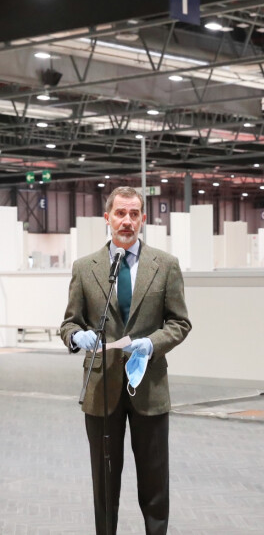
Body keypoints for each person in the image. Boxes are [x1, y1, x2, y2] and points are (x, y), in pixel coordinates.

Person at [60, 186, 192, 535]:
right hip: (101, 389)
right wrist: (76, 337)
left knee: (154, 482)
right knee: (104, 483)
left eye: (134, 214)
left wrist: (152, 343)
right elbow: (69, 322)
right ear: (107, 218)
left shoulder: (165, 266)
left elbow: (180, 323)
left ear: (143, 219)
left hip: (148, 386)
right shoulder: (85, 268)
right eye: (120, 213)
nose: (127, 221)